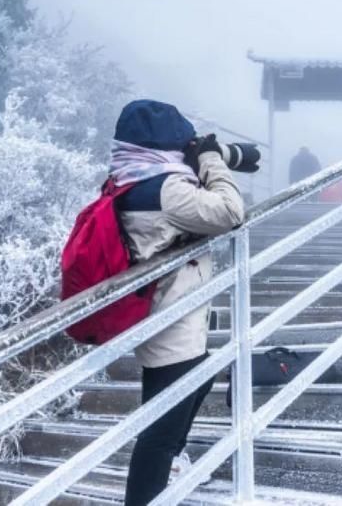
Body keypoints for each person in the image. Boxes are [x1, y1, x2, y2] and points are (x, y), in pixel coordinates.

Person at [111, 100, 245, 505]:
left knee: (200, 376)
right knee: (159, 434)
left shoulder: (130, 178)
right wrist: (210, 161)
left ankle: (171, 463)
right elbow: (230, 211)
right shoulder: (166, 189)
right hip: (172, 320)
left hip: (162, 313)